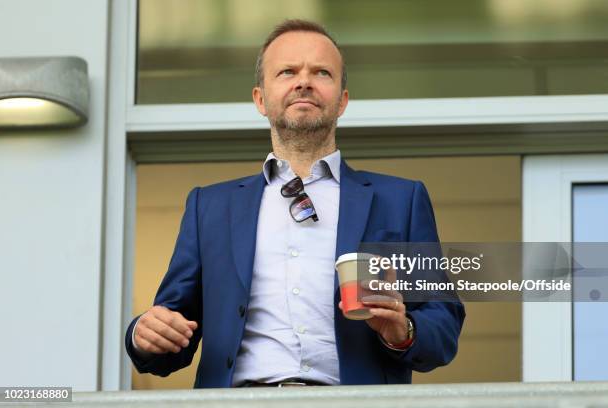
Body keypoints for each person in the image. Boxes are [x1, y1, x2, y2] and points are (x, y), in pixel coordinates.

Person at [125, 19, 465, 388]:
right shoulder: (210, 207)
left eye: (321, 72)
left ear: (343, 100)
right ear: (260, 98)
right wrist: (143, 334)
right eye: (287, 71)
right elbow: (171, 329)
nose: (304, 81)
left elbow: (442, 324)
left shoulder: (400, 200)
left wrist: (402, 330)